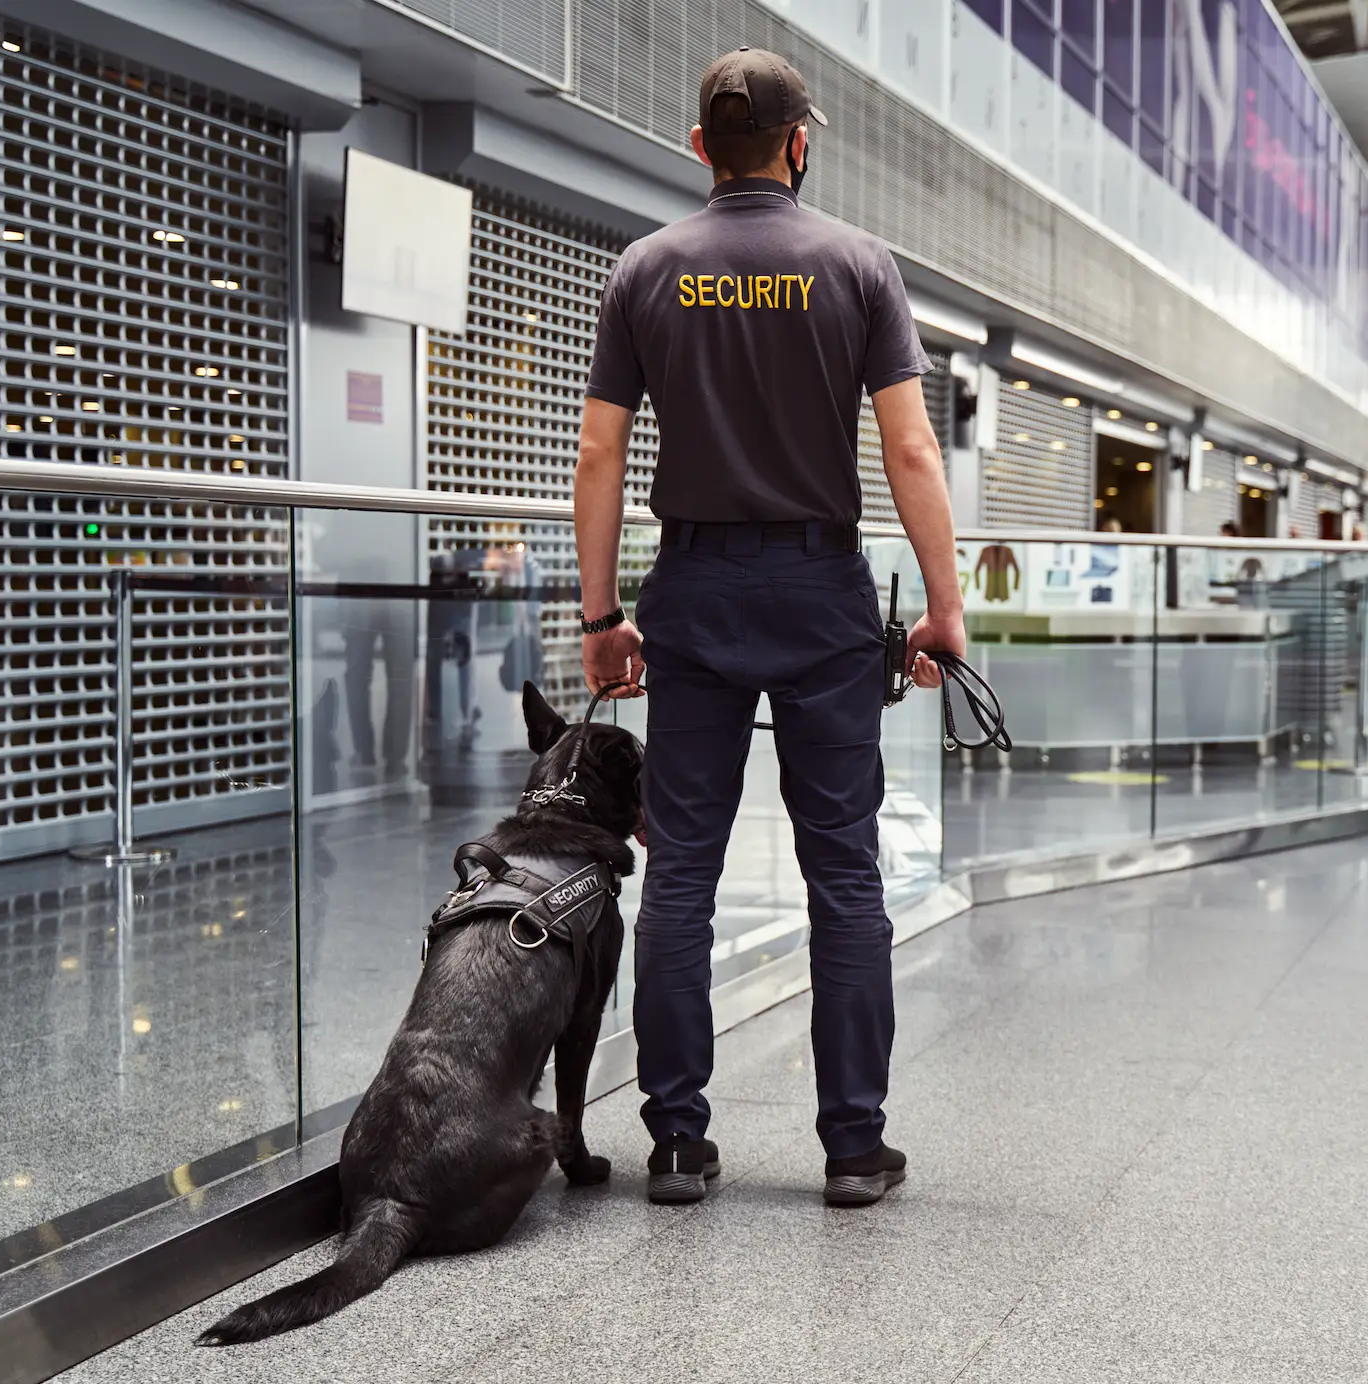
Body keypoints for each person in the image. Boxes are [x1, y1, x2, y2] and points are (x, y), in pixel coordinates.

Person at [573, 48, 960, 1208]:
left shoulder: (646, 268)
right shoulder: (857, 265)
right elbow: (908, 450)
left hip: (690, 591)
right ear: (802, 144)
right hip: (820, 590)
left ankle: (679, 1144)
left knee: (682, 868)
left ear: (700, 146)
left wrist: (601, 616)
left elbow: (599, 452)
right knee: (842, 865)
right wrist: (943, 607)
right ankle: (853, 1144)